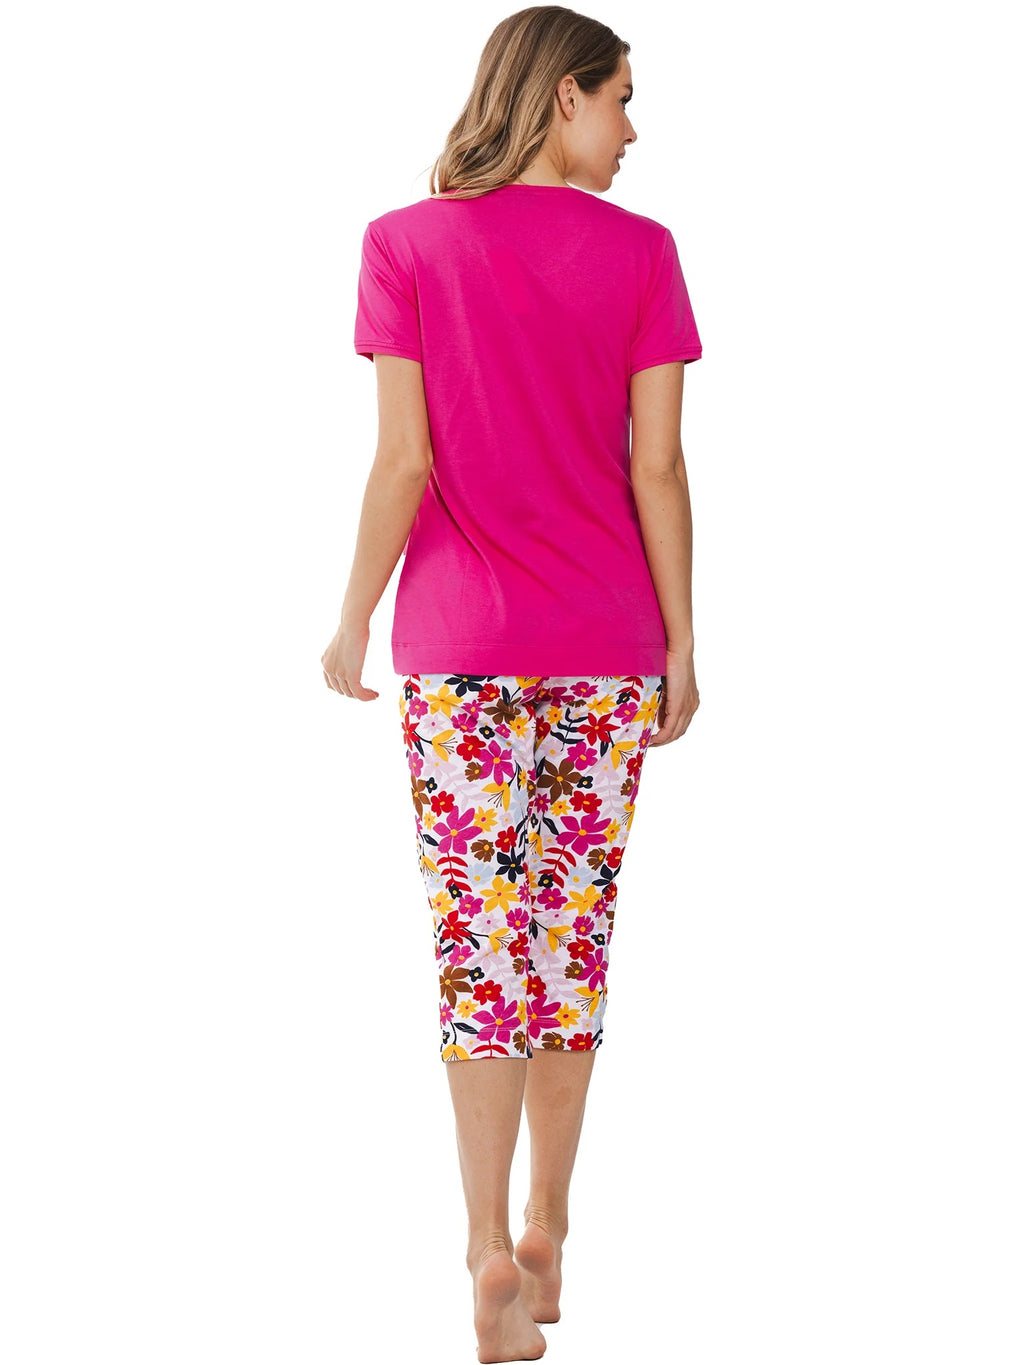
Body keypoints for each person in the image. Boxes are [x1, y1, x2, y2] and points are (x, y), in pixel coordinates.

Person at [321, 8, 703, 1361]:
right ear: (560, 99)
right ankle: (551, 1224)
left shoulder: (404, 245)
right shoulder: (645, 255)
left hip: (460, 654)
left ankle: (485, 1244)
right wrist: (682, 645)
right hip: (605, 650)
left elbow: (403, 461)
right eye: (621, 98)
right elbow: (658, 466)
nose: (634, 128)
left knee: (480, 950)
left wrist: (353, 620)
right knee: (570, 939)